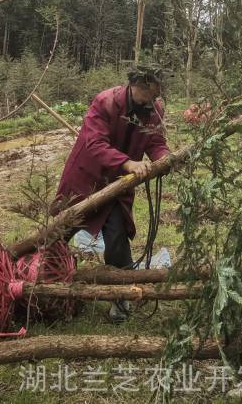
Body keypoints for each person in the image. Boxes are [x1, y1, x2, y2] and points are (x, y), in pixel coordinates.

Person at [52, 66, 169, 321]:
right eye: (150, 93)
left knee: (117, 240)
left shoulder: (155, 110)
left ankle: (121, 299)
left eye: (157, 94)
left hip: (118, 185)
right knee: (59, 232)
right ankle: (38, 280)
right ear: (137, 85)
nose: (154, 99)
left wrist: (164, 160)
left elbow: (156, 143)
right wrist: (129, 164)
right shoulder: (105, 102)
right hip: (85, 180)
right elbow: (95, 144)